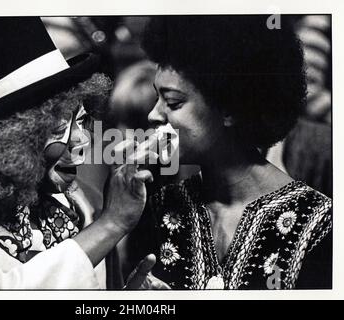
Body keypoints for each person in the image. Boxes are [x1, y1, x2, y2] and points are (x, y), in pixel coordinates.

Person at [0, 17, 155, 289]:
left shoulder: (80, 203)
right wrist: (110, 225)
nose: (82, 141)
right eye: (59, 127)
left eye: (81, 120)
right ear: (6, 141)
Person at [129, 16, 332, 289]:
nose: (154, 114)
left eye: (173, 102)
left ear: (230, 108)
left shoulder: (320, 226)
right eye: (157, 98)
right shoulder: (156, 209)